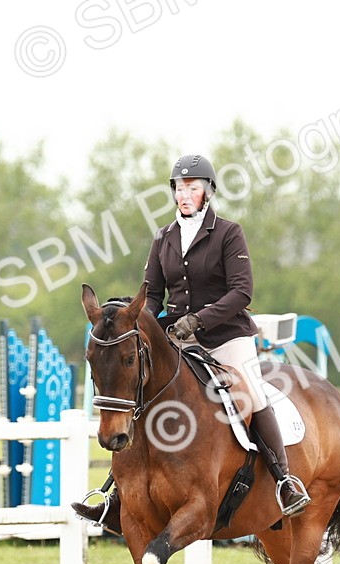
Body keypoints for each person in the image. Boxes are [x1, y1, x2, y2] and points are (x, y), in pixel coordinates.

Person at [72, 154, 310, 529]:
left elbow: (241, 292)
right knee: (143, 396)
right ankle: (117, 493)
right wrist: (141, 325)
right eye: (180, 188)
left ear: (207, 193)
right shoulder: (163, 237)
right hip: (176, 339)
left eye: (193, 188)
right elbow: (151, 297)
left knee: (254, 394)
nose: (185, 195)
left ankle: (284, 481)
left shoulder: (229, 233)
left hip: (226, 336)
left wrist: (199, 319)